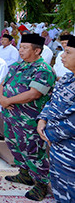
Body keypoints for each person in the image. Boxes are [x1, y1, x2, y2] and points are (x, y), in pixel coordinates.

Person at [0, 33, 55, 201]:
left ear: (37, 51)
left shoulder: (43, 70)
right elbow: (3, 83)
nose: (20, 51)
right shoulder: (17, 66)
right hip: (11, 116)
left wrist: (7, 100)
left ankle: (41, 184)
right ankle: (24, 174)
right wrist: (1, 98)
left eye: (24, 48)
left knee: (33, 151)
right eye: (20, 47)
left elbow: (33, 94)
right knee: (14, 145)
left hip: (29, 120)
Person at [37, 36, 75, 203]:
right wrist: (42, 120)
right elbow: (52, 101)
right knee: (59, 187)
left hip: (69, 150)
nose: (61, 56)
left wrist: (49, 134)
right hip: (56, 147)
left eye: (68, 52)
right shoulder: (67, 78)